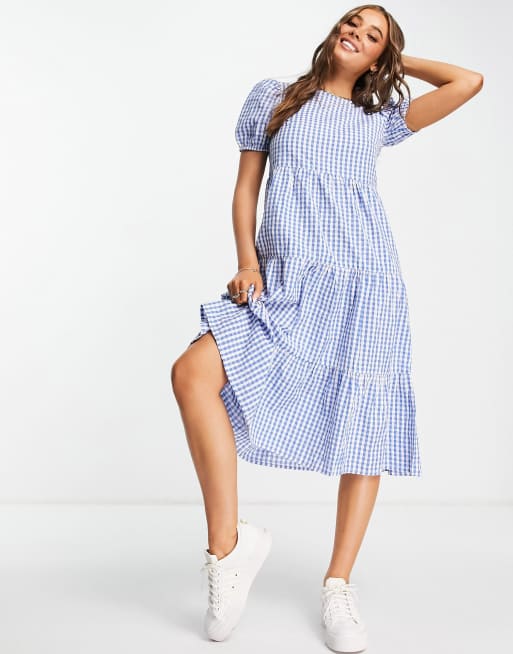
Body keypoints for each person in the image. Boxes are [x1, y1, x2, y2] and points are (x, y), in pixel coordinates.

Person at [171, 4, 483, 651]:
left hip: (365, 283)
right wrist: (247, 261)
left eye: (372, 36)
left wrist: (394, 59)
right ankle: (228, 549)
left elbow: (468, 81)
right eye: (351, 24)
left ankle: (338, 585)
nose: (355, 35)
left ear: (380, 55)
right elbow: (246, 188)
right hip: (283, 278)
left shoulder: (381, 116)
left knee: (363, 430)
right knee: (192, 373)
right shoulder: (274, 97)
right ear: (332, 31)